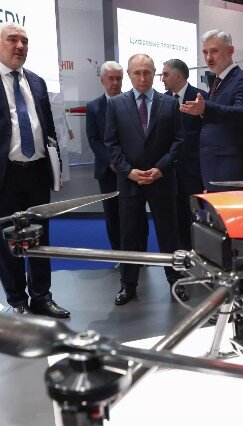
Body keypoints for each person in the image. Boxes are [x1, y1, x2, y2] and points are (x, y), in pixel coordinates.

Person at [0, 22, 69, 318]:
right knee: (7, 240)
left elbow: (48, 130)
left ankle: (42, 297)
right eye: (13, 40)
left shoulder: (37, 81)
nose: (20, 46)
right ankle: (18, 301)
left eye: (24, 41)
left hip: (37, 173)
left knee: (41, 237)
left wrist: (55, 168)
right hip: (2, 177)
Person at [104, 54, 188, 305]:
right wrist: (127, 171)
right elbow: (111, 143)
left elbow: (179, 141)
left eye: (147, 72)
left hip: (162, 179)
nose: (142, 78)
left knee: (169, 234)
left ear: (155, 74)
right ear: (129, 75)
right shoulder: (116, 104)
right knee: (129, 234)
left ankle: (176, 281)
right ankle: (128, 285)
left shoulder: (170, 104)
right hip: (130, 181)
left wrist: (161, 169)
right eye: (137, 73)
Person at [180, 29, 243, 192]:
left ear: (230, 51)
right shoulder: (219, 81)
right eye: (205, 52)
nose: (209, 57)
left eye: (214, 51)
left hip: (233, 174)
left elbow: (242, 113)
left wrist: (206, 108)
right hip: (216, 171)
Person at [86, 61, 148, 253]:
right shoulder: (94, 107)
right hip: (108, 172)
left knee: (137, 214)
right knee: (112, 214)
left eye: (118, 79)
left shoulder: (133, 102)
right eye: (111, 79)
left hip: (132, 170)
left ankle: (141, 254)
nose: (115, 83)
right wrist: (111, 161)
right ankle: (119, 255)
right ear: (102, 80)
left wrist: (125, 164)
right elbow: (94, 139)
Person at [161, 59, 208, 249]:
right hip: (169, 171)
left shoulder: (200, 97)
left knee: (198, 215)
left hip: (194, 170)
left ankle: (202, 252)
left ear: (178, 76)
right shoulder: (162, 99)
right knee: (176, 216)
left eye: (165, 74)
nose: (162, 79)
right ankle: (183, 252)